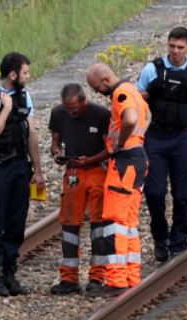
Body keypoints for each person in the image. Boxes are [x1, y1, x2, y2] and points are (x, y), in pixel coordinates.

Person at [0, 52, 46, 297]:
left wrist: (37, 170)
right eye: (25, 73)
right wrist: (6, 109)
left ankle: (9, 273)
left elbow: (31, 134)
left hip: (19, 166)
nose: (28, 76)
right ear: (13, 74)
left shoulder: (24, 95)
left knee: (16, 223)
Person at [135, 26, 187, 262]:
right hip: (155, 136)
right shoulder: (152, 69)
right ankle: (160, 238)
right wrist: (151, 92)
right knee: (155, 192)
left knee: (183, 192)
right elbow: (134, 100)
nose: (175, 51)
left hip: (181, 137)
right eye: (171, 46)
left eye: (180, 47)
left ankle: (179, 239)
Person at [85, 63, 151, 297]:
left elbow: (131, 118)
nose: (95, 93)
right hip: (138, 157)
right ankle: (132, 276)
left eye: (95, 87)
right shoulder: (132, 90)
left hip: (125, 161)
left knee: (115, 222)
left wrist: (121, 143)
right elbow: (147, 114)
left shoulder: (120, 94)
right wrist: (136, 138)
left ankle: (115, 280)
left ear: (105, 79)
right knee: (129, 222)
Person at [48, 83, 112, 295]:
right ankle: (69, 278)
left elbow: (110, 148)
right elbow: (55, 142)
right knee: (69, 224)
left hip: (97, 171)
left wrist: (90, 159)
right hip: (74, 172)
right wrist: (57, 153)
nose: (71, 112)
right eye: (67, 108)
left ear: (84, 100)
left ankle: (97, 276)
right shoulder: (58, 113)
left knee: (99, 224)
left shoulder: (101, 115)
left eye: (74, 107)